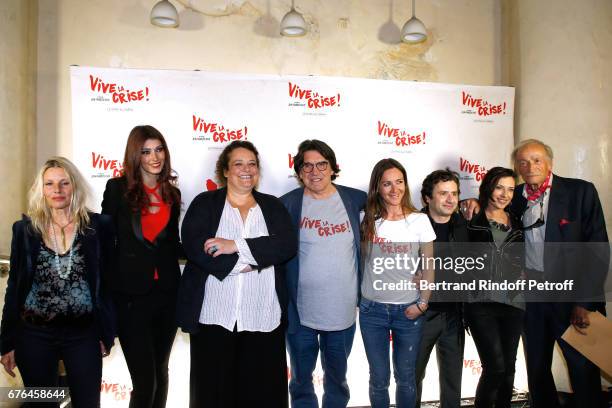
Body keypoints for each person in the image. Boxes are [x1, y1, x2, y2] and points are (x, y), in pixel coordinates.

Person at [177, 140, 297, 408]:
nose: (247, 169)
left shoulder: (272, 206)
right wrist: (252, 262)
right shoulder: (205, 203)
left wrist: (234, 246)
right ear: (226, 171)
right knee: (213, 395)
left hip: (263, 316)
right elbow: (197, 247)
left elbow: (285, 246)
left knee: (262, 395)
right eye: (238, 164)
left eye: (252, 164)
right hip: (214, 317)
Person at [0, 157, 115, 407]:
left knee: (87, 402)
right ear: (41, 190)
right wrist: (7, 342)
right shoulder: (25, 230)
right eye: (50, 184)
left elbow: (107, 284)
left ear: (74, 186)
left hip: (83, 334)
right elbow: (15, 288)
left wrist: (106, 331)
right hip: (34, 335)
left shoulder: (98, 227)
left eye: (64, 183)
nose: (57, 190)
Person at [509, 140, 608, 408]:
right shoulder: (514, 198)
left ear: (550, 163)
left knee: (583, 369)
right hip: (532, 298)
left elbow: (597, 249)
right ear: (516, 167)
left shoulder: (580, 192)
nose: (530, 167)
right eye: (523, 162)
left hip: (572, 297)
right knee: (537, 369)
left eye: (537, 160)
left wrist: (584, 302)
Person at [280, 139, 366, 408]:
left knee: (338, 379)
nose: (315, 172)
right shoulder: (287, 204)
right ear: (299, 171)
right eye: (307, 166)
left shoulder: (354, 198)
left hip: (342, 311)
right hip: (300, 313)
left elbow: (397, 207)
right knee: (300, 380)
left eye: (321, 164)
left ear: (333, 168)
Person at [101, 125, 182, 408]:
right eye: (146, 151)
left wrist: (207, 245)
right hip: (130, 298)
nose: (154, 157)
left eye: (159, 149)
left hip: (168, 295)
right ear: (135, 155)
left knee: (161, 372)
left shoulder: (173, 193)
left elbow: (173, 244)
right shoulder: (117, 189)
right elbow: (103, 240)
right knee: (145, 379)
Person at [359, 158, 435, 408]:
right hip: (372, 312)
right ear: (377, 188)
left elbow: (429, 265)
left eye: (399, 182)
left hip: (408, 311)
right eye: (387, 184)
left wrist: (423, 303)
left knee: (406, 379)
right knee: (378, 379)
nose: (395, 189)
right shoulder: (366, 219)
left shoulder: (419, 220)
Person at [465, 167, 525, 408]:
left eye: (510, 189)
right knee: (495, 367)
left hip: (515, 302)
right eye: (500, 187)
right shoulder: (471, 219)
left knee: (509, 367)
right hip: (482, 304)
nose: (505, 194)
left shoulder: (517, 219)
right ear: (488, 187)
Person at [415, 168, 468, 408]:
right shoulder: (411, 225)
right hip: (421, 315)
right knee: (412, 378)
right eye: (443, 193)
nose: (450, 199)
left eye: (454, 193)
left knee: (452, 382)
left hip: (455, 316)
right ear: (427, 198)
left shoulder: (465, 225)